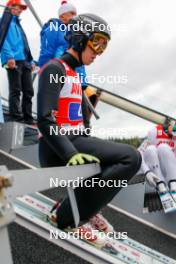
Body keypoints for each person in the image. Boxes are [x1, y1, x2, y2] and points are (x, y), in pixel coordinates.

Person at [38, 13, 141, 245]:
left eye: (104, 46)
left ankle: (82, 207)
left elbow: (79, 124)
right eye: (96, 42)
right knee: (131, 157)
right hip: (57, 147)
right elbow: (45, 120)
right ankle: (66, 217)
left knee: (115, 159)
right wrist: (71, 154)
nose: (98, 52)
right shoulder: (55, 69)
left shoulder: (75, 75)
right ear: (79, 39)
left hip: (74, 140)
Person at [0, 0, 36, 124]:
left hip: (25, 61)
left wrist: (31, 60)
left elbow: (24, 44)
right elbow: (2, 39)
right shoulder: (5, 21)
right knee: (15, 90)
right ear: (10, 7)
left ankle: (28, 119)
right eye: (18, 7)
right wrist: (9, 57)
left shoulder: (18, 24)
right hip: (13, 60)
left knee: (29, 91)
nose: (20, 10)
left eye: (21, 8)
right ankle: (16, 118)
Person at [138, 122, 176, 197]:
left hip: (171, 170)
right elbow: (139, 153)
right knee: (152, 149)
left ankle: (173, 182)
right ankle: (160, 183)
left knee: (163, 148)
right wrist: (146, 171)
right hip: (155, 169)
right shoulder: (154, 132)